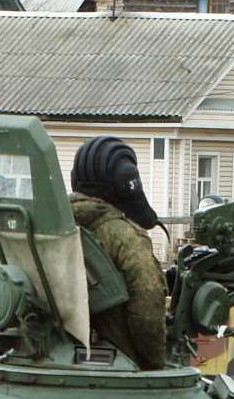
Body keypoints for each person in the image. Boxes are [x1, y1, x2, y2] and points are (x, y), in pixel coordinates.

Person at [68, 135, 169, 370]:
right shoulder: (126, 237)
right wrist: (154, 366)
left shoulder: (57, 227)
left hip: (62, 357)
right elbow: (148, 310)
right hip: (118, 365)